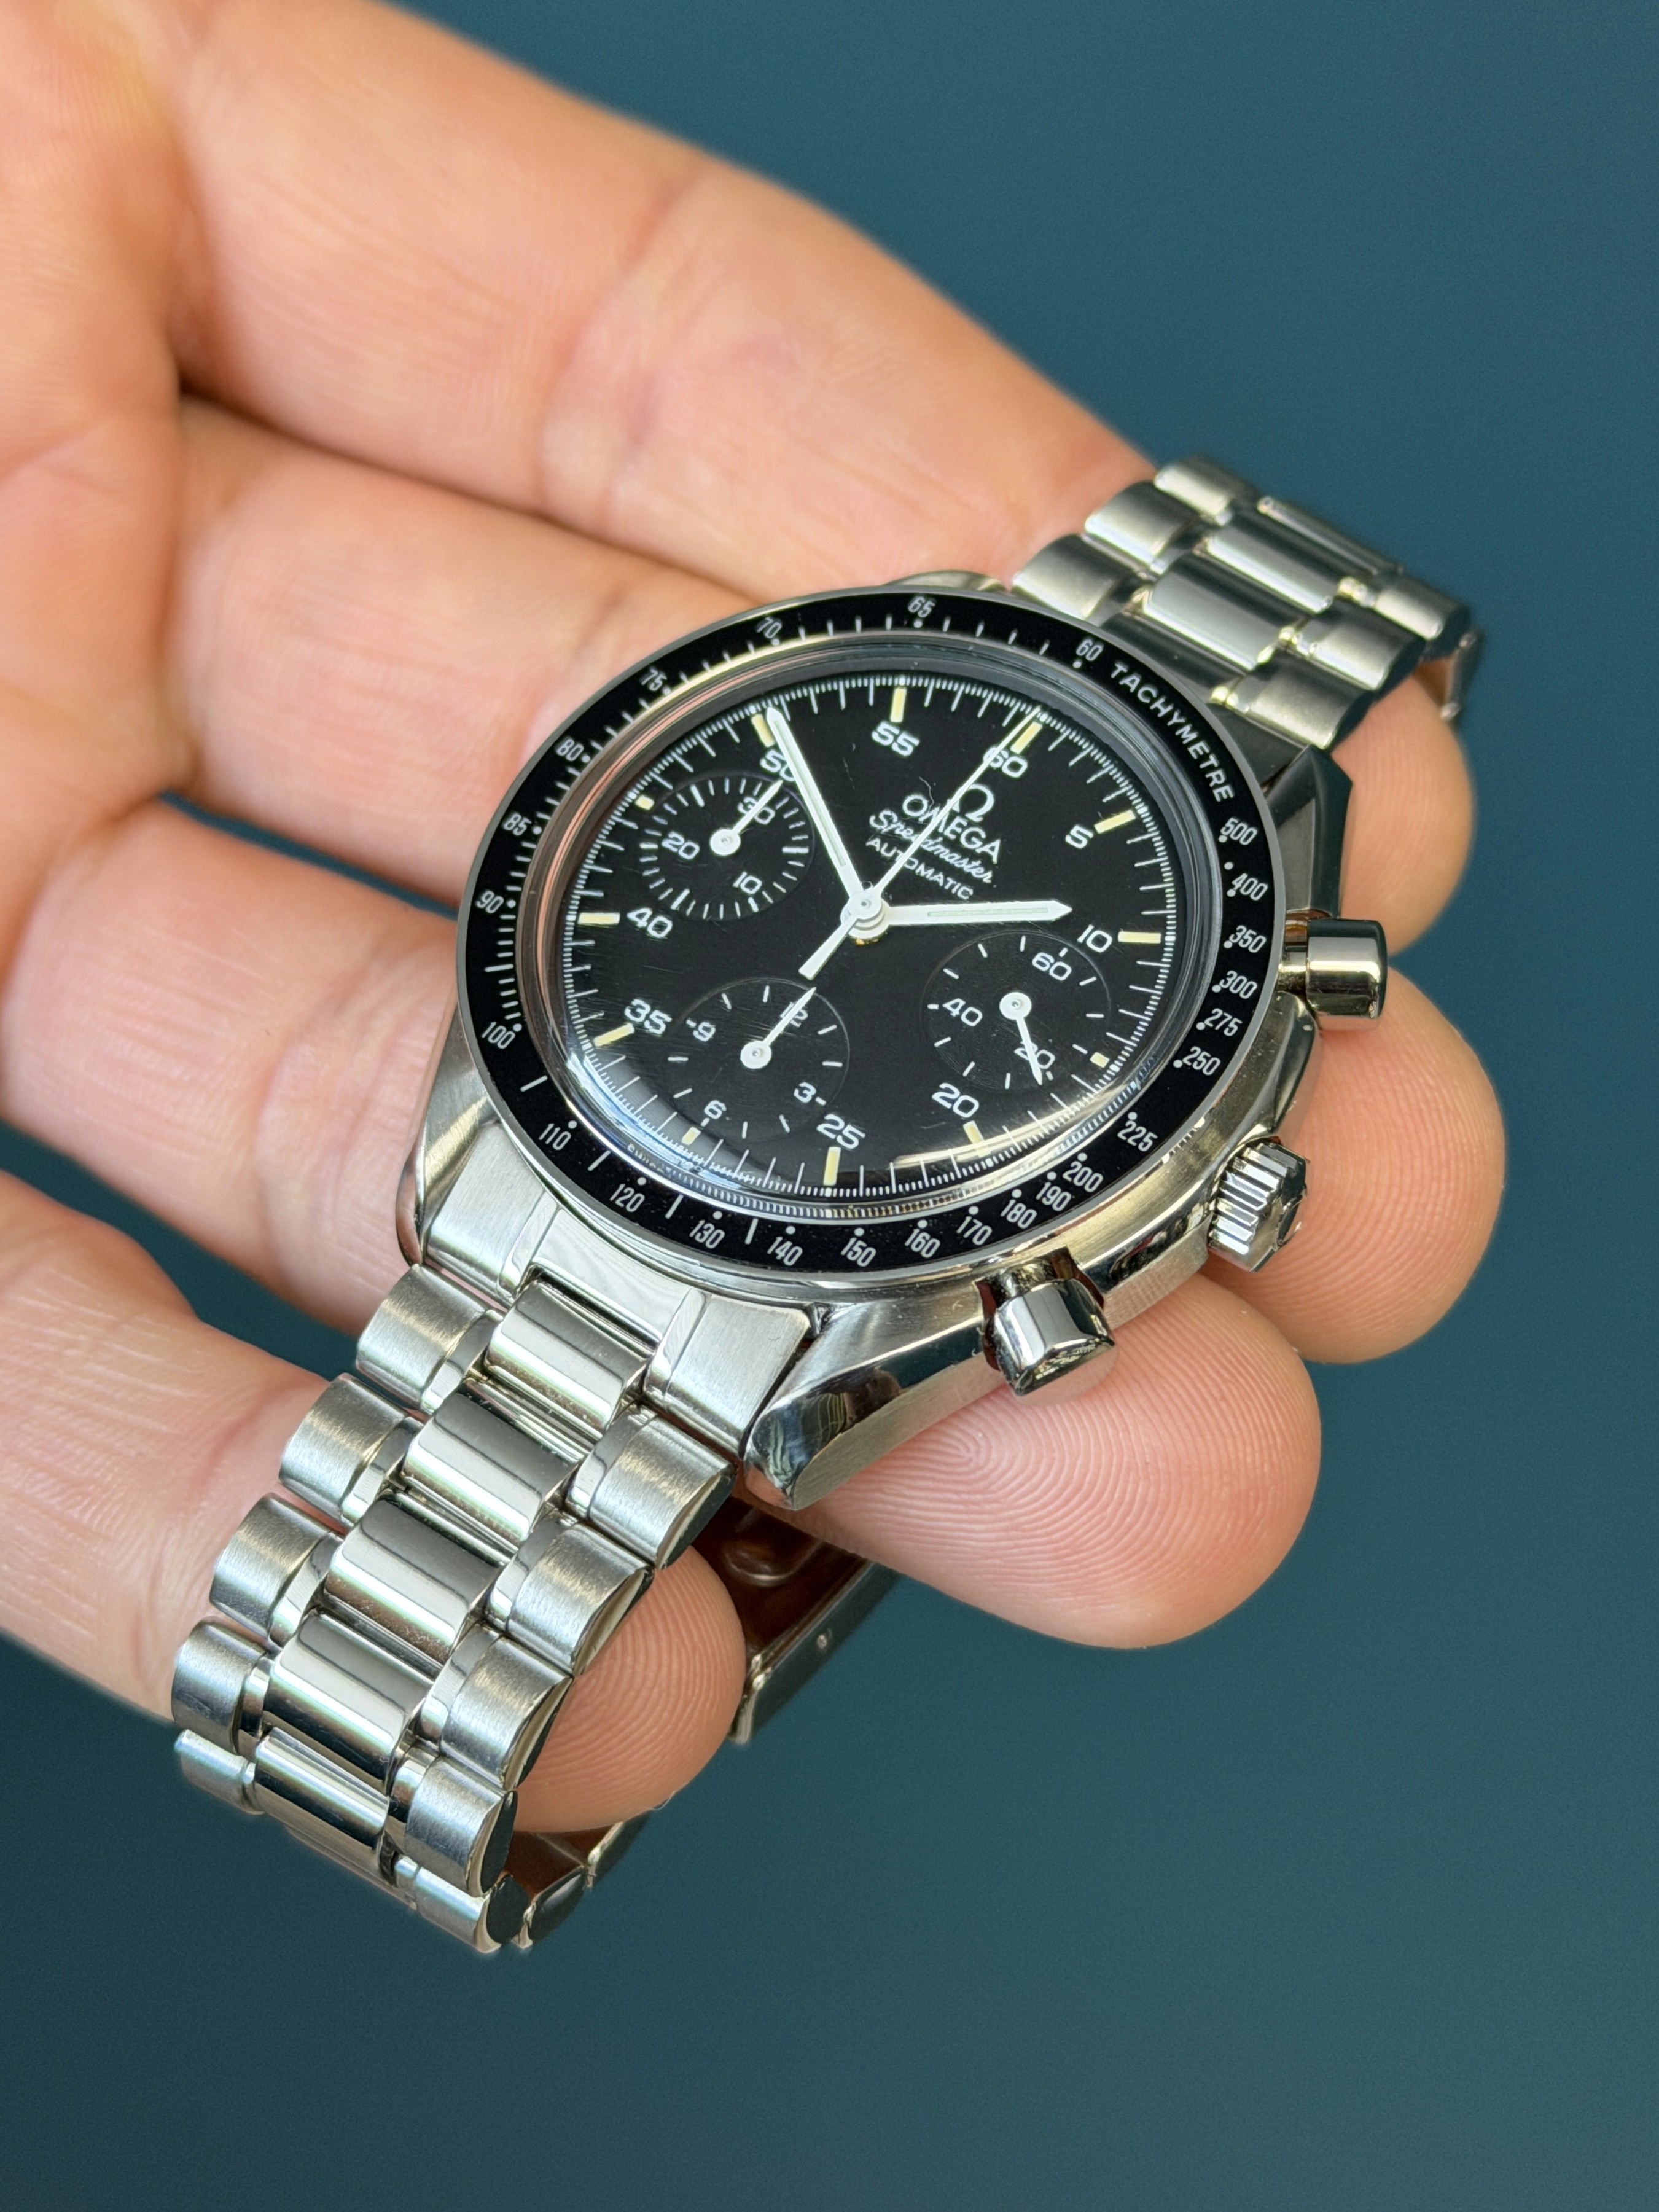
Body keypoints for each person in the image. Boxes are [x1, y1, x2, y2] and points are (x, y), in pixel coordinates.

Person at [0, 0, 1502, 1835]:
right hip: (609, 1131)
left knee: (1135, 1486)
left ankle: (453, 1703)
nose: (868, 914)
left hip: (794, 1229)